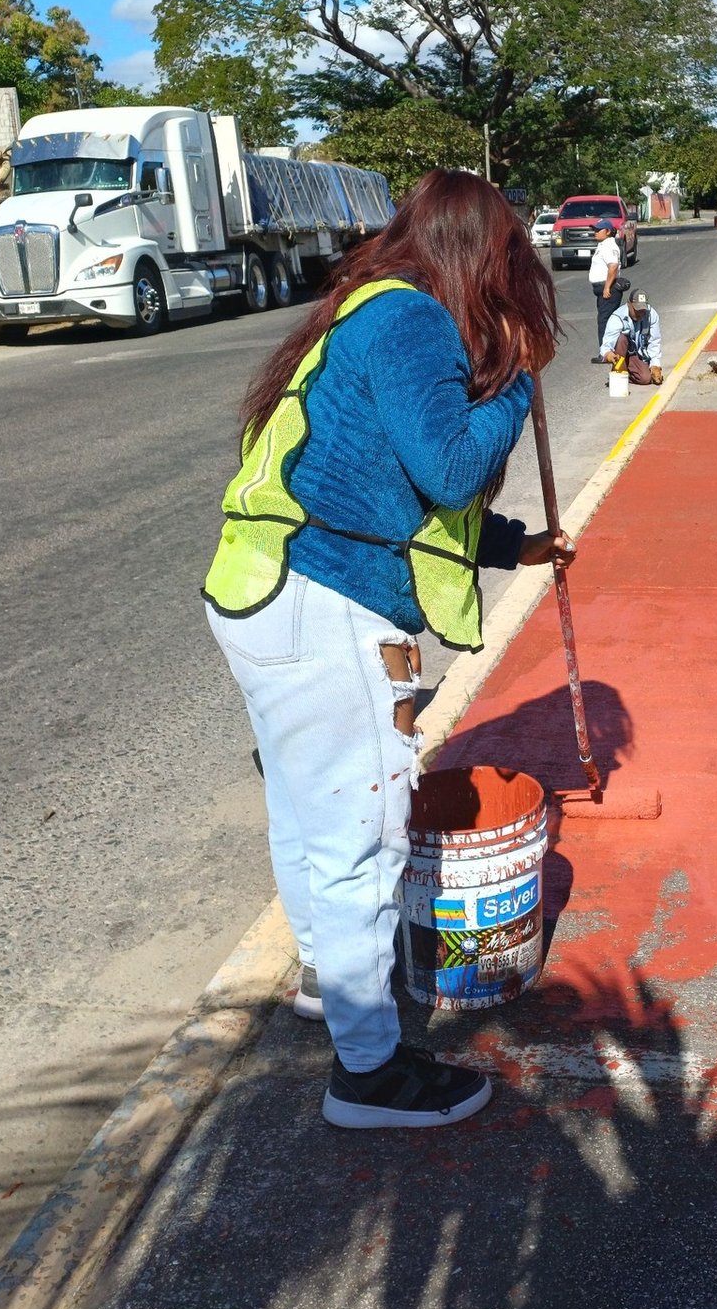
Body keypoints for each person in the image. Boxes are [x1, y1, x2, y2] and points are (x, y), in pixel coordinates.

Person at [201, 170, 576, 1131]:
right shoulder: (411, 320)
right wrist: (525, 373)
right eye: (510, 262)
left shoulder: (367, 308)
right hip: (323, 608)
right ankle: (369, 1075)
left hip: (263, 590)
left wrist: (511, 545)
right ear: (480, 256)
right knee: (364, 837)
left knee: (305, 806)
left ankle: (331, 982)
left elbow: (387, 488)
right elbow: (448, 464)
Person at [595, 288, 664, 383]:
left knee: (645, 379)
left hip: (636, 353)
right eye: (637, 309)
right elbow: (606, 345)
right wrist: (608, 355)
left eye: (642, 310)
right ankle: (619, 370)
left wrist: (655, 364)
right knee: (622, 338)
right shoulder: (617, 318)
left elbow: (654, 341)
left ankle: (628, 370)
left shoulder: (651, 315)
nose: (640, 313)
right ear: (629, 304)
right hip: (620, 354)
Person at [588, 218, 624, 336]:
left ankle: (606, 352)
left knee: (605, 321)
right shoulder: (603, 245)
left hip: (609, 290)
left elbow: (613, 267)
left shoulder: (609, 246)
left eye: (598, 230)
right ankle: (605, 351)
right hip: (602, 290)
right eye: (594, 229)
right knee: (604, 320)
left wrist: (607, 287)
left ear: (608, 231)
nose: (595, 232)